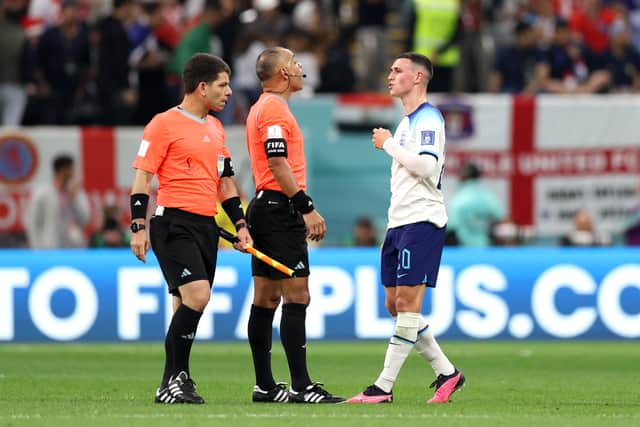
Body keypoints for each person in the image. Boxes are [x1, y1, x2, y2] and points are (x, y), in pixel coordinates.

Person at [129, 53, 252, 405]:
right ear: (202, 87)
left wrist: (241, 225)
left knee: (184, 303)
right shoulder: (163, 124)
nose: (229, 92)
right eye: (223, 85)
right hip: (172, 223)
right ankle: (174, 378)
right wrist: (138, 227)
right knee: (198, 296)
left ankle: (173, 383)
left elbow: (225, 183)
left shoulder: (215, 128)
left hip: (206, 225)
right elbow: (142, 177)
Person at [347, 53, 464, 404]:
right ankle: (447, 373)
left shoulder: (428, 118)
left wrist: (388, 146)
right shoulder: (406, 122)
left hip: (422, 220)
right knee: (395, 306)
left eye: (397, 70)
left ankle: (382, 386)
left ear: (417, 78)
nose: (390, 75)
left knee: (407, 304)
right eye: (390, 68)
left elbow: (427, 167)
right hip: (398, 222)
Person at [244, 46, 344, 404]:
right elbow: (277, 162)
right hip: (279, 209)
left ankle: (265, 385)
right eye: (295, 62)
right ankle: (301, 386)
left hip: (265, 207)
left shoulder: (264, 107)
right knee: (297, 294)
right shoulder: (272, 108)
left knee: (266, 297)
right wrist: (305, 207)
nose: (302, 67)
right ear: (283, 73)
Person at [26, 154, 90, 248]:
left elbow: (84, 220)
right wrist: (37, 248)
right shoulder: (42, 193)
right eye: (70, 169)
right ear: (62, 170)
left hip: (73, 247)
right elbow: (33, 222)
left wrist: (74, 198)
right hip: (50, 248)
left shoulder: (76, 193)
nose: (72, 173)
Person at [447, 162, 505, 247]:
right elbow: (502, 219)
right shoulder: (488, 197)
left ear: (463, 176)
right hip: (486, 249)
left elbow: (450, 227)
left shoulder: (458, 200)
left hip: (463, 251)